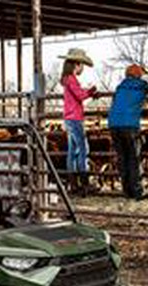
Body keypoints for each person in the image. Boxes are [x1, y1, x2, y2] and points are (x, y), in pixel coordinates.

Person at [108, 64, 148, 200]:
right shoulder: (141, 84)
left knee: (123, 159)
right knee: (134, 158)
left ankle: (126, 191)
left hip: (114, 124)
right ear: (139, 75)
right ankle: (137, 192)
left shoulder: (120, 86)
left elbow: (118, 101)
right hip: (130, 125)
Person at [59, 48, 98, 196]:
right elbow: (80, 95)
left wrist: (88, 93)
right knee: (83, 149)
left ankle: (73, 184)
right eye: (81, 65)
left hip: (69, 118)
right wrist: (90, 91)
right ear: (76, 64)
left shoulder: (67, 80)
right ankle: (84, 183)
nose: (82, 68)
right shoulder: (71, 79)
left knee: (72, 151)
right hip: (75, 118)